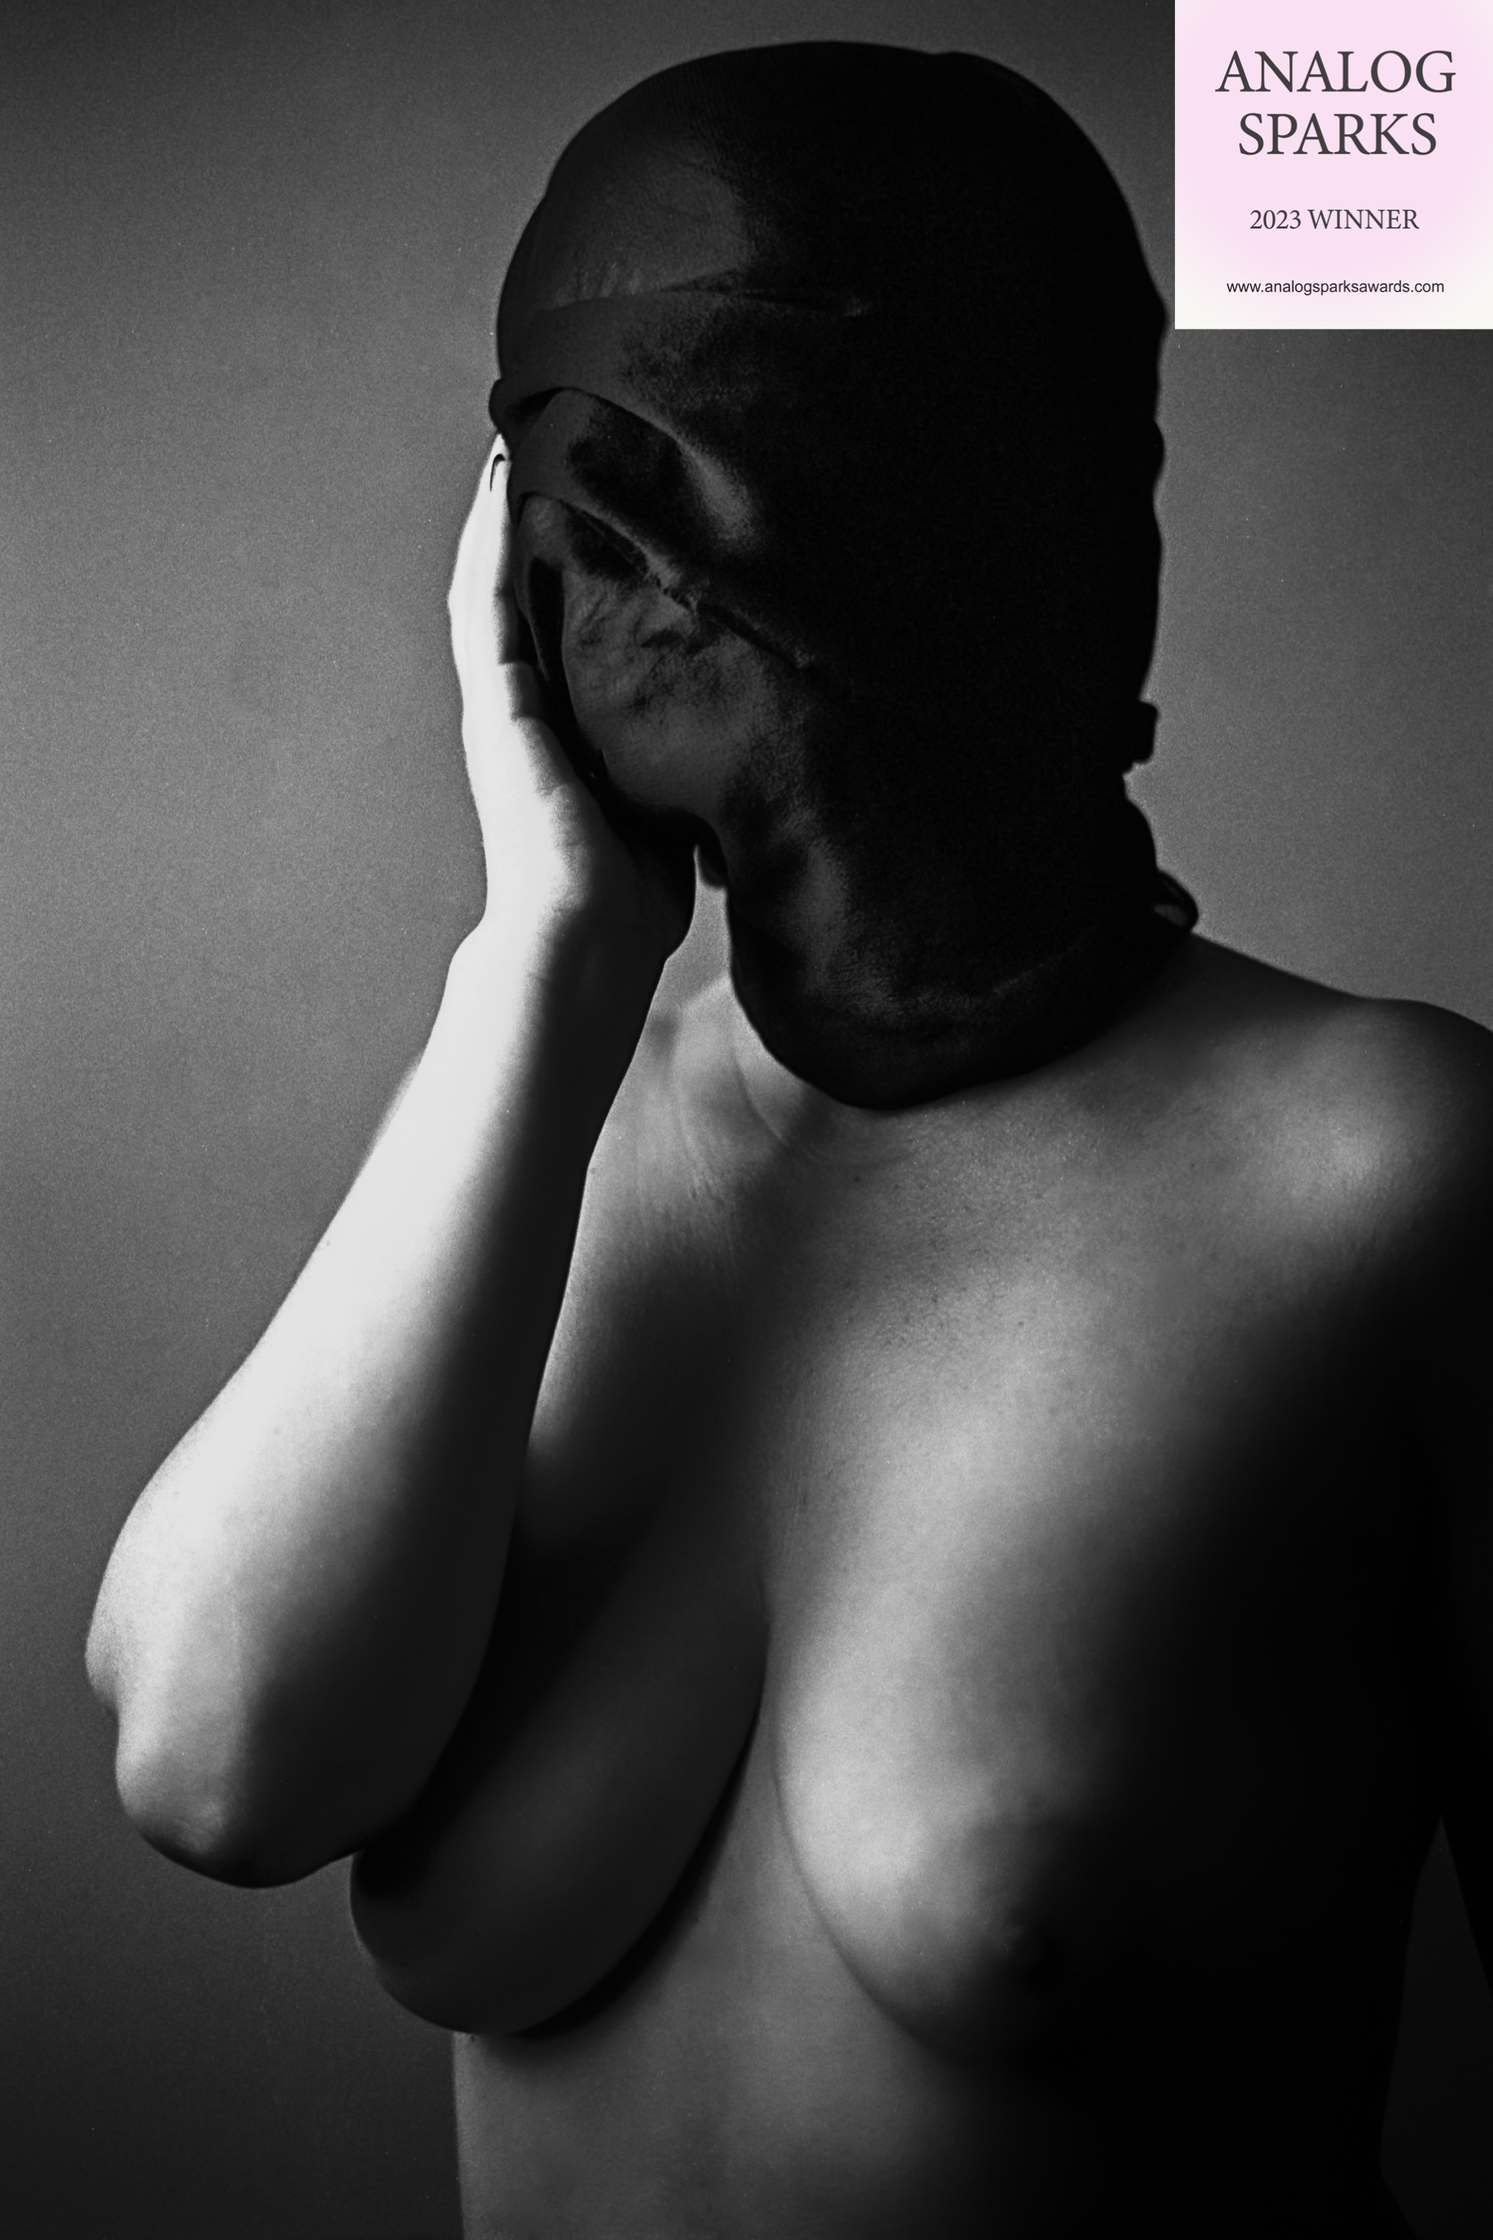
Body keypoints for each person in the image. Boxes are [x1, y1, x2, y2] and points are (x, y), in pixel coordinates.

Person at [86, 43, 1491, 2239]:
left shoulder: (1385, 1174)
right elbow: (211, 1766)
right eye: (579, 511)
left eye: (711, 495)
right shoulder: (539, 1145)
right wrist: (546, 959)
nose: (643, 593)